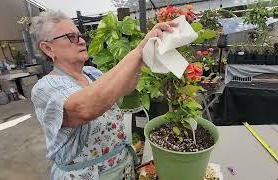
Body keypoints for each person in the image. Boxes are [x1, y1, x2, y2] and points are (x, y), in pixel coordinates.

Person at [30, 10, 177, 180]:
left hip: (120, 168)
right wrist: (137, 51)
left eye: (80, 35)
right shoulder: (45, 87)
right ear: (48, 48)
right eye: (71, 37)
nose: (82, 41)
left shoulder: (91, 73)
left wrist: (143, 56)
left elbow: (126, 88)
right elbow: (85, 108)